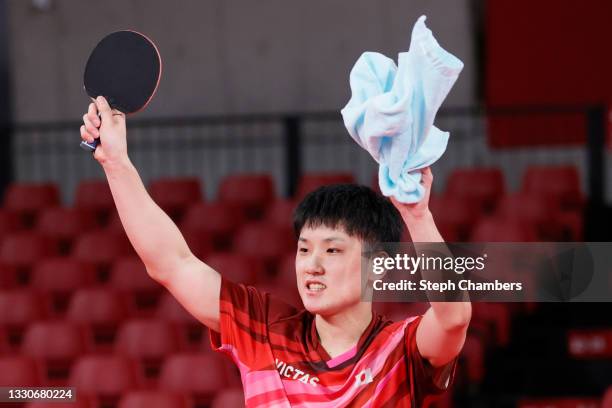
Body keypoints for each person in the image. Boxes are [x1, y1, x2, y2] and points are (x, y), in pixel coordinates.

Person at [80, 96, 471, 407]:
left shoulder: (400, 349)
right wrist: (115, 162)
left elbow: (453, 317)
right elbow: (172, 264)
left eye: (333, 251)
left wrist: (417, 215)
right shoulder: (264, 329)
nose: (312, 266)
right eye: (304, 250)